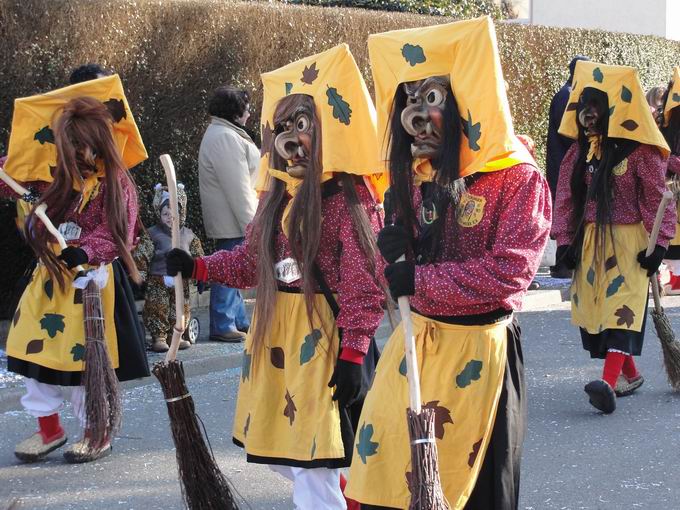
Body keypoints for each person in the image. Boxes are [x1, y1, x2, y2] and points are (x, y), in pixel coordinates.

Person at [167, 44, 386, 508]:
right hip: (275, 339)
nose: (289, 139)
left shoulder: (348, 200)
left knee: (312, 455)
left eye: (301, 126)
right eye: (282, 127)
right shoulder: (276, 198)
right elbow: (250, 262)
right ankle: (349, 499)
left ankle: (332, 500)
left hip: (324, 338)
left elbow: (365, 282)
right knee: (278, 451)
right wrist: (200, 267)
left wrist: (354, 351)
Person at [345, 17, 551, 509]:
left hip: (478, 357)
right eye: (408, 99)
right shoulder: (417, 178)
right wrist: (392, 252)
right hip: (416, 344)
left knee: (469, 490)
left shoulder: (518, 180)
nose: (415, 114)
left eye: (432, 98)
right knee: (381, 475)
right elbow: (393, 278)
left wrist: (420, 277)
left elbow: (509, 275)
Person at [2, 77, 149, 463]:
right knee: (33, 351)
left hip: (93, 285)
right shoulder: (57, 174)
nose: (79, 153)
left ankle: (95, 429)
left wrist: (85, 251)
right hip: (50, 281)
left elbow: (120, 234)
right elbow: (13, 178)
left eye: (83, 145)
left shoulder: (117, 183)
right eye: (72, 146)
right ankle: (49, 429)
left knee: (86, 363)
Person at [552, 61, 674, 413]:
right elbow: (566, 199)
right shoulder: (579, 152)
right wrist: (565, 243)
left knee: (620, 310)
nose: (588, 115)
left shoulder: (640, 152)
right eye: (584, 108)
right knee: (595, 312)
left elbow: (656, 199)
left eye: (595, 108)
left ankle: (607, 384)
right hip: (590, 242)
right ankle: (630, 373)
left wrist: (660, 244)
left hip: (629, 244)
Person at [198, 85, 258, 342]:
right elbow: (239, 187)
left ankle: (237, 319)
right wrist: (253, 224)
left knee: (233, 264)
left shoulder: (226, 133)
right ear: (235, 111)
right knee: (229, 265)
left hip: (231, 215)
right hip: (233, 216)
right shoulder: (226, 137)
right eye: (246, 106)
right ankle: (223, 322)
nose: (249, 111)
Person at [133, 183, 204, 352]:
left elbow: (198, 256)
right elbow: (142, 255)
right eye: (165, 213)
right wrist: (139, 275)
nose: (170, 216)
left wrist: (201, 275)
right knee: (159, 306)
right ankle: (159, 336)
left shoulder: (188, 235)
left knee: (180, 307)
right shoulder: (152, 234)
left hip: (182, 280)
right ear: (159, 214)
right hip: (159, 279)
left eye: (174, 213)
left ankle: (176, 335)